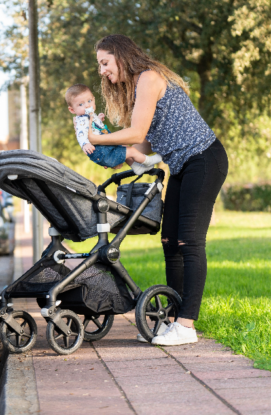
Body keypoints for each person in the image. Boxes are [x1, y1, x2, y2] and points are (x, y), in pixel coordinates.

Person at [89, 34, 229, 346]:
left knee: (190, 241)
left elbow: (136, 131)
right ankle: (173, 320)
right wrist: (103, 147)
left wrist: (96, 138)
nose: (101, 70)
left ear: (121, 58)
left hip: (204, 159)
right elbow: (139, 148)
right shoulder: (137, 90)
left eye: (104, 62)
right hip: (182, 165)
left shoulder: (149, 79)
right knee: (169, 241)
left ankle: (186, 325)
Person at [65, 83, 162, 171]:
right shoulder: (81, 120)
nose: (87, 105)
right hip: (102, 152)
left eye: (89, 101)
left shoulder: (89, 116)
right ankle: (148, 161)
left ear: (93, 99)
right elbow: (80, 134)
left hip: (104, 148)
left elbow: (93, 127)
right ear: (72, 109)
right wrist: (84, 144)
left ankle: (137, 167)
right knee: (131, 151)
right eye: (81, 104)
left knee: (123, 146)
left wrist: (98, 119)